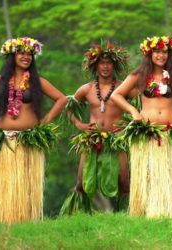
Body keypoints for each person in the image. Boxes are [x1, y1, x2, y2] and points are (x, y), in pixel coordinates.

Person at [0, 37, 67, 224]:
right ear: (12, 56)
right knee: (6, 184)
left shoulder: (36, 81)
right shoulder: (0, 81)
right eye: (22, 53)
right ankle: (3, 218)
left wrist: (46, 120)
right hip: (5, 141)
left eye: (30, 54)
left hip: (28, 140)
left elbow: (61, 99)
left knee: (26, 183)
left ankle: (26, 218)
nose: (26, 57)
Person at [111, 36, 172, 218]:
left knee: (169, 175)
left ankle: (170, 212)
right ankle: (145, 211)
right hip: (147, 134)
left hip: (169, 133)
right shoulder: (138, 76)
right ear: (149, 53)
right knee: (148, 174)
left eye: (164, 52)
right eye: (157, 51)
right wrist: (133, 111)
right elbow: (117, 95)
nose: (161, 55)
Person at [65, 41, 136, 210]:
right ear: (95, 66)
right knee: (82, 180)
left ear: (114, 65)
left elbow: (142, 104)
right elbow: (69, 109)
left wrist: (130, 125)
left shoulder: (122, 87)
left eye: (109, 63)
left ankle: (128, 213)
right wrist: (79, 124)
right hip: (92, 137)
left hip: (117, 138)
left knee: (123, 180)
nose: (105, 67)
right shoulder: (86, 89)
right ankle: (78, 212)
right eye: (101, 63)